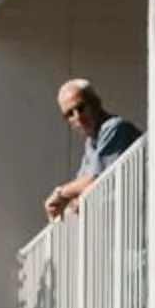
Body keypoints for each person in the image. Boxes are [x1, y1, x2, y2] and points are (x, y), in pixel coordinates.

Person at [45, 79, 142, 220]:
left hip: (140, 218)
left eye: (81, 107)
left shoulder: (114, 128)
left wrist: (60, 194)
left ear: (96, 103)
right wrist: (66, 203)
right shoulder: (91, 143)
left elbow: (95, 180)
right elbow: (81, 189)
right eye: (69, 114)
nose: (77, 117)